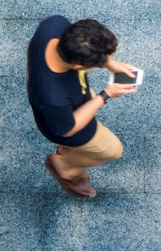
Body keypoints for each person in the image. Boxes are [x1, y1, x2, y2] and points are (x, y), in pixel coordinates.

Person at [26, 16, 138, 198]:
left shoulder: (55, 24)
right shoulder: (53, 96)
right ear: (78, 65)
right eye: (96, 63)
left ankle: (66, 154)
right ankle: (64, 165)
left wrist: (110, 63)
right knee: (114, 151)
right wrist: (106, 94)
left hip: (69, 104)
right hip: (66, 125)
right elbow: (68, 129)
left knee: (89, 98)